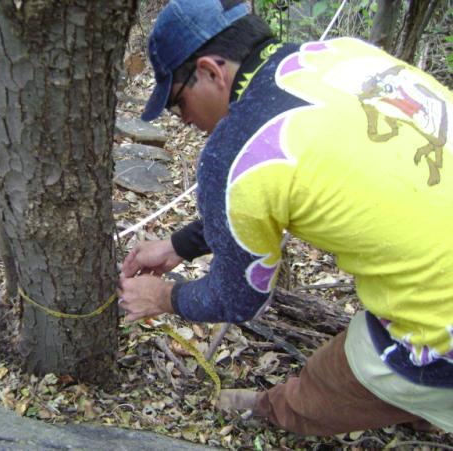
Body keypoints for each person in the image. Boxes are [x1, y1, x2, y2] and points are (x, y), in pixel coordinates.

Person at [117, 0, 453, 436]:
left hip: (440, 328)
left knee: (328, 382)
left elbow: (239, 299)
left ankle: (275, 409)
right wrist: (178, 246)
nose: (185, 121)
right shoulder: (343, 55)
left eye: (178, 103)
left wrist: (163, 298)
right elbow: (269, 194)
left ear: (211, 72)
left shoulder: (234, 150)